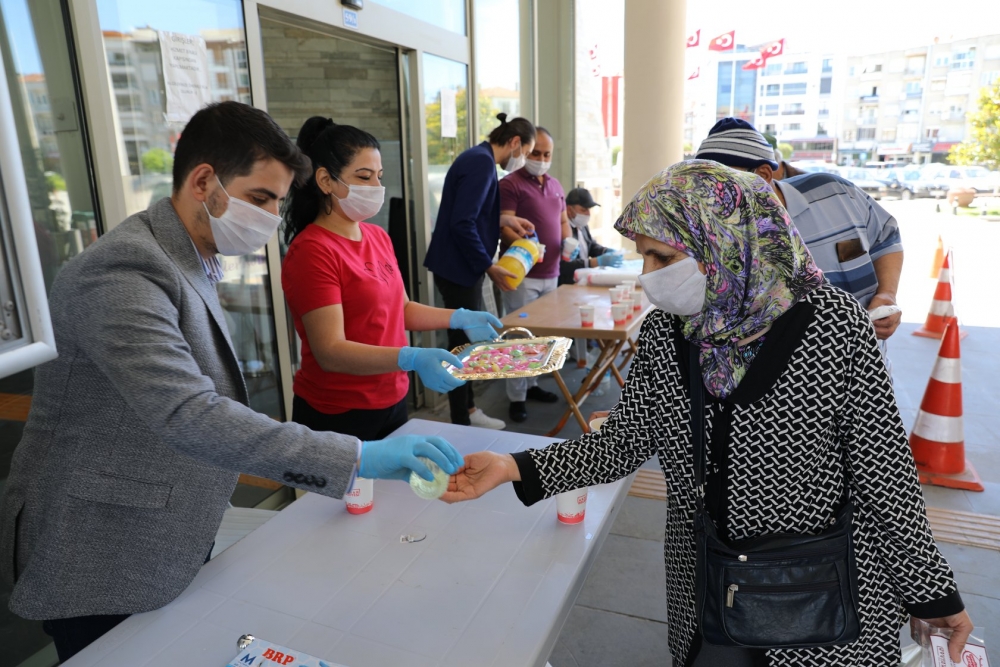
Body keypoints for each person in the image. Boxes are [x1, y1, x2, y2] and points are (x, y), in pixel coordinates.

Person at [442, 161, 973, 667]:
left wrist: (930, 593)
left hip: (820, 594)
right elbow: (622, 442)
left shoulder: (833, 327)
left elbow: (885, 474)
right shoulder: (665, 335)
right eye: (643, 257)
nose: (648, 277)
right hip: (708, 585)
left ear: (722, 243)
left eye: (663, 259)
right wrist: (514, 467)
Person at [0, 102, 463, 663]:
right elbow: (188, 412)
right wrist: (357, 457)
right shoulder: (123, 269)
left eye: (277, 202)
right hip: (100, 550)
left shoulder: (188, 255)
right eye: (260, 198)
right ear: (204, 181)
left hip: (166, 531)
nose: (270, 218)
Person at [281, 117, 503, 441]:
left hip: (392, 398)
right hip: (338, 413)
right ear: (326, 180)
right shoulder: (313, 251)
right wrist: (410, 357)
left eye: (379, 177)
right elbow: (329, 350)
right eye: (363, 176)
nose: (375, 187)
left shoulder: (377, 236)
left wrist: (458, 317)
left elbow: (402, 308)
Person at [695, 118, 903, 352]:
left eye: (723, 186)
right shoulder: (715, 233)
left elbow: (886, 237)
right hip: (793, 382)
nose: (713, 199)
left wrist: (887, 294)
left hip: (867, 364)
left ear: (763, 175)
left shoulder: (834, 193)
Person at [424, 113, 538, 428]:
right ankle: (464, 415)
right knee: (462, 344)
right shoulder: (481, 163)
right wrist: (489, 267)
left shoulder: (478, 158)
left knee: (465, 341)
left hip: (458, 265)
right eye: (526, 153)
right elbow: (462, 223)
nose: (524, 160)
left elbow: (470, 215)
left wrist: (504, 221)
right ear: (515, 143)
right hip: (459, 268)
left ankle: (468, 411)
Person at [497, 127, 568, 422]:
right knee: (518, 336)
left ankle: (533, 383)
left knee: (542, 335)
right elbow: (503, 226)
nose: (540, 159)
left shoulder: (555, 185)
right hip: (521, 273)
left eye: (546, 154)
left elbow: (564, 221)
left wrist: (569, 241)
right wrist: (526, 245)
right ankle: (516, 397)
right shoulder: (510, 184)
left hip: (551, 271)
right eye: (535, 153)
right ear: (526, 151)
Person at [558, 187, 623, 286]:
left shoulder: (582, 226)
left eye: (589, 210)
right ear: (569, 210)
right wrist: (594, 262)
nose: (588, 214)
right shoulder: (563, 231)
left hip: (583, 281)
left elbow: (591, 246)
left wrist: (606, 252)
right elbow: (564, 265)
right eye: (583, 210)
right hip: (567, 283)